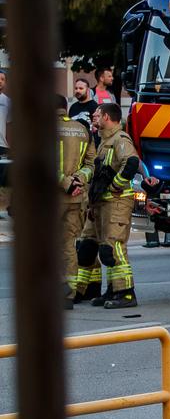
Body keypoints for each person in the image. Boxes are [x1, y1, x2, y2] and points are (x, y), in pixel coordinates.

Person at [74, 102, 141, 308]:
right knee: (96, 247)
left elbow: (131, 162)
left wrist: (114, 186)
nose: (94, 116)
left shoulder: (120, 139)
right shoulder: (104, 140)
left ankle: (126, 293)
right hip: (101, 203)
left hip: (117, 203)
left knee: (114, 247)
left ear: (106, 117)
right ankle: (110, 290)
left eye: (97, 113)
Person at [57, 95, 92, 307]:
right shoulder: (81, 129)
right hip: (76, 199)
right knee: (68, 245)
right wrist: (78, 180)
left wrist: (67, 183)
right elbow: (91, 164)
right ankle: (69, 295)